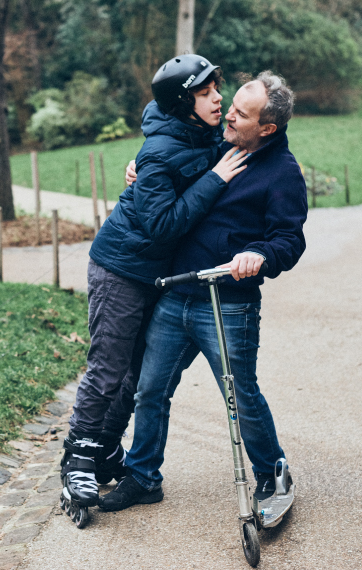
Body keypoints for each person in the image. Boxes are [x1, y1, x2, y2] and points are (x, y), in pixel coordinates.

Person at [99, 71, 308, 511]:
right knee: (151, 389)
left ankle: (272, 474)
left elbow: (289, 240)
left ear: (267, 128)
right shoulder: (218, 144)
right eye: (230, 104)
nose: (228, 113)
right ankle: (142, 476)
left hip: (229, 304)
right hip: (177, 295)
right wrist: (142, 170)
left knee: (241, 395)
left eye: (241, 113)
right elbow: (173, 166)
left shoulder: (282, 173)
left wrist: (260, 256)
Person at [60, 55, 249, 514]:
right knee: (108, 367)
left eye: (215, 89)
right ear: (184, 103)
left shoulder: (200, 132)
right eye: (205, 93)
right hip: (122, 268)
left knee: (137, 375)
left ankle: (105, 448)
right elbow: (163, 224)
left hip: (156, 274)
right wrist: (214, 178)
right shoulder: (161, 151)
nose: (217, 98)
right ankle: (77, 460)